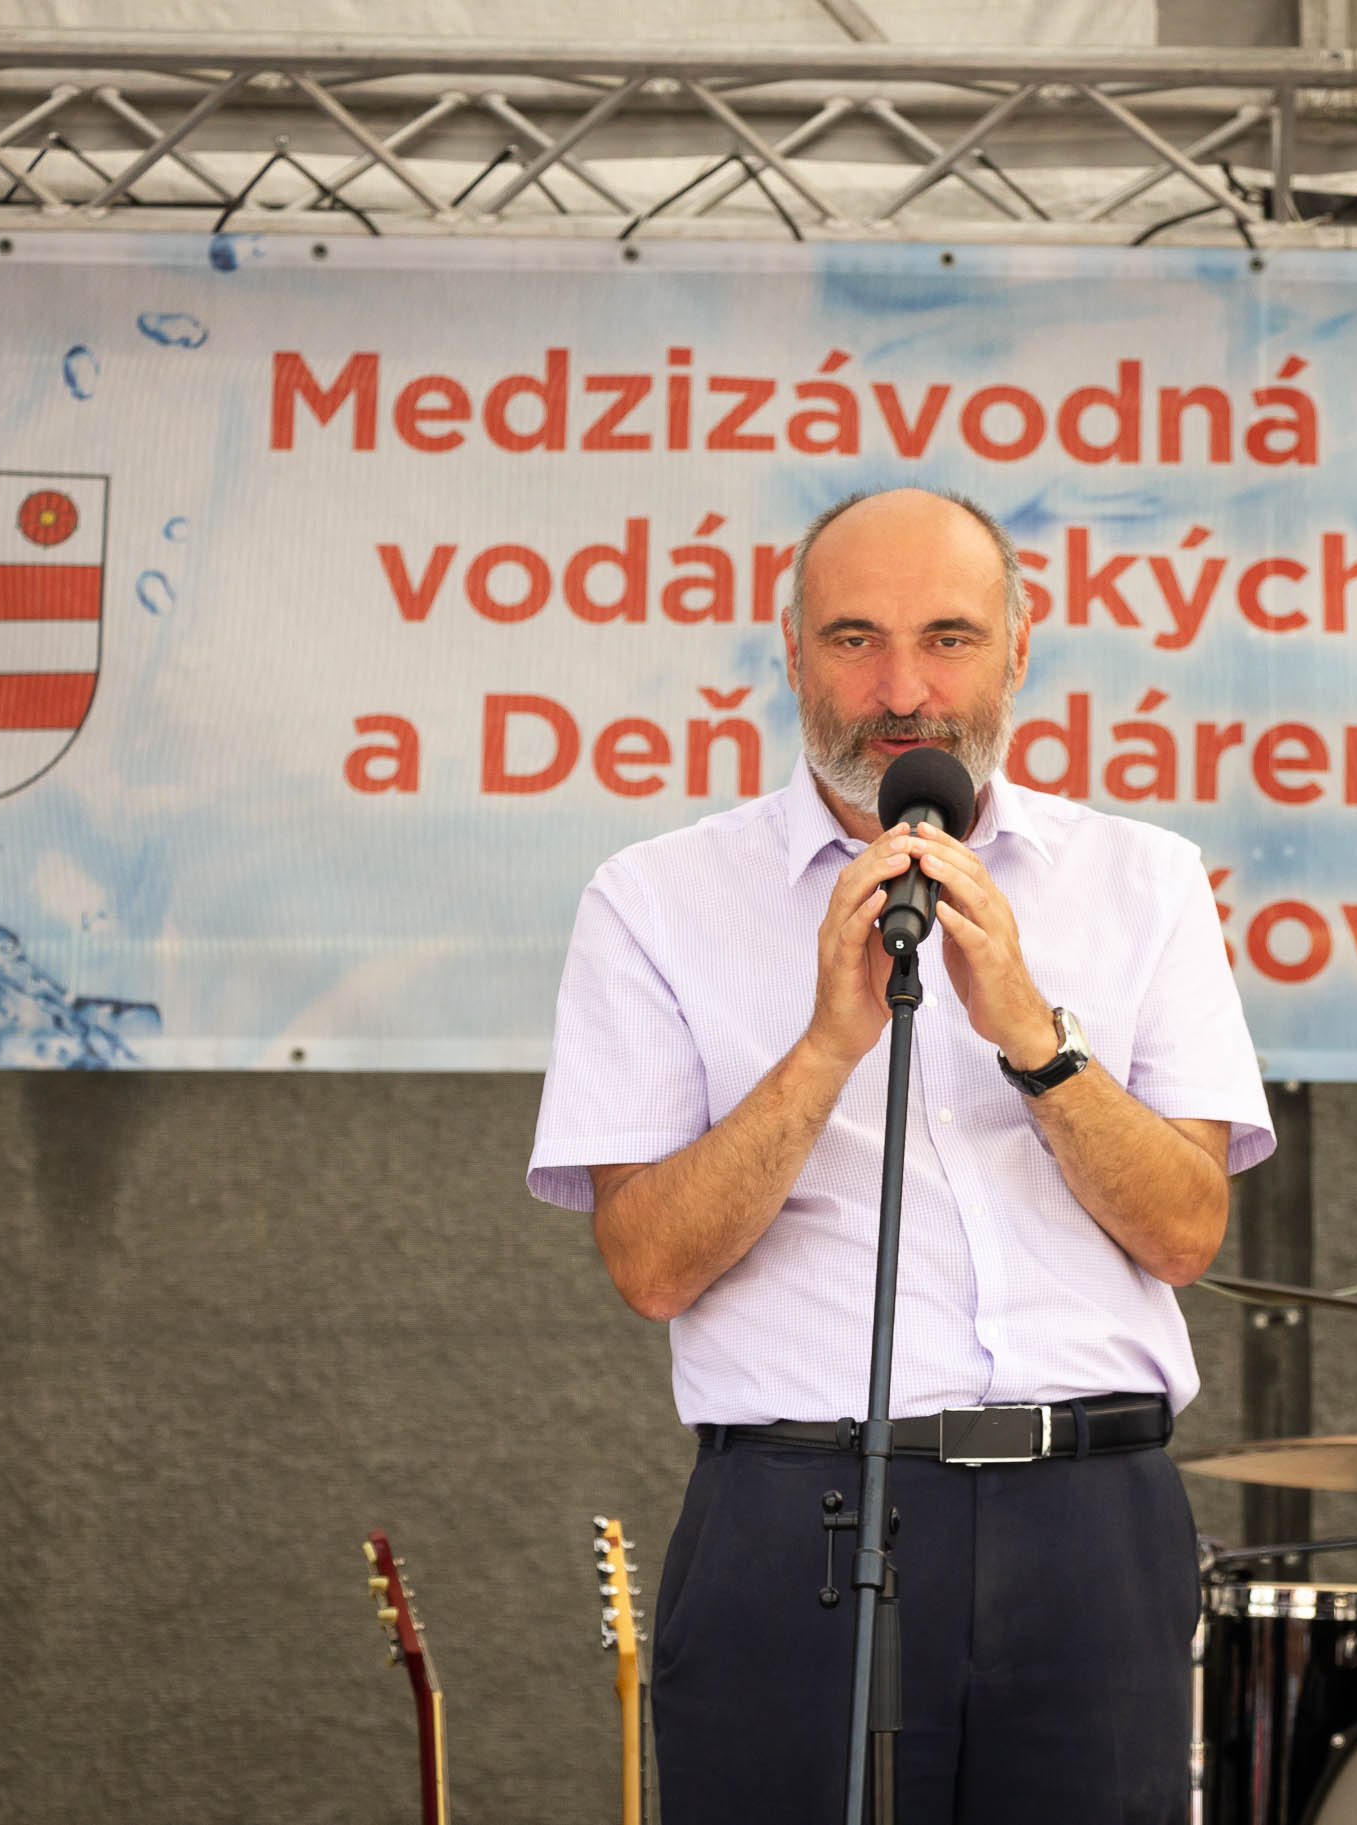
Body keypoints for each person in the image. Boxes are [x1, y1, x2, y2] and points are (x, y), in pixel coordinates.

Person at [527, 487, 1272, 1825]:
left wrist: (1032, 1035)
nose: (904, 690)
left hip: (1089, 1521)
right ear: (791, 649)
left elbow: (1184, 1232)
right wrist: (826, 1044)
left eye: (948, 638)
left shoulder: (1142, 880)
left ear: (1017, 651)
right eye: (854, 638)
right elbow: (648, 1265)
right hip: (798, 1519)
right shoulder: (656, 898)